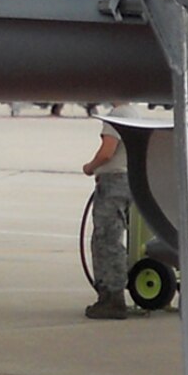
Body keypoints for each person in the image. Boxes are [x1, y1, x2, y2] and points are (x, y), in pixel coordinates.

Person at [81, 112, 132, 320]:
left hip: (113, 182)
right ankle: (110, 295)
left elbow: (107, 152)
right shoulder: (133, 114)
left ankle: (112, 298)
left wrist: (91, 167)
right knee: (111, 237)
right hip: (126, 179)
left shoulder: (118, 116)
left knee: (107, 239)